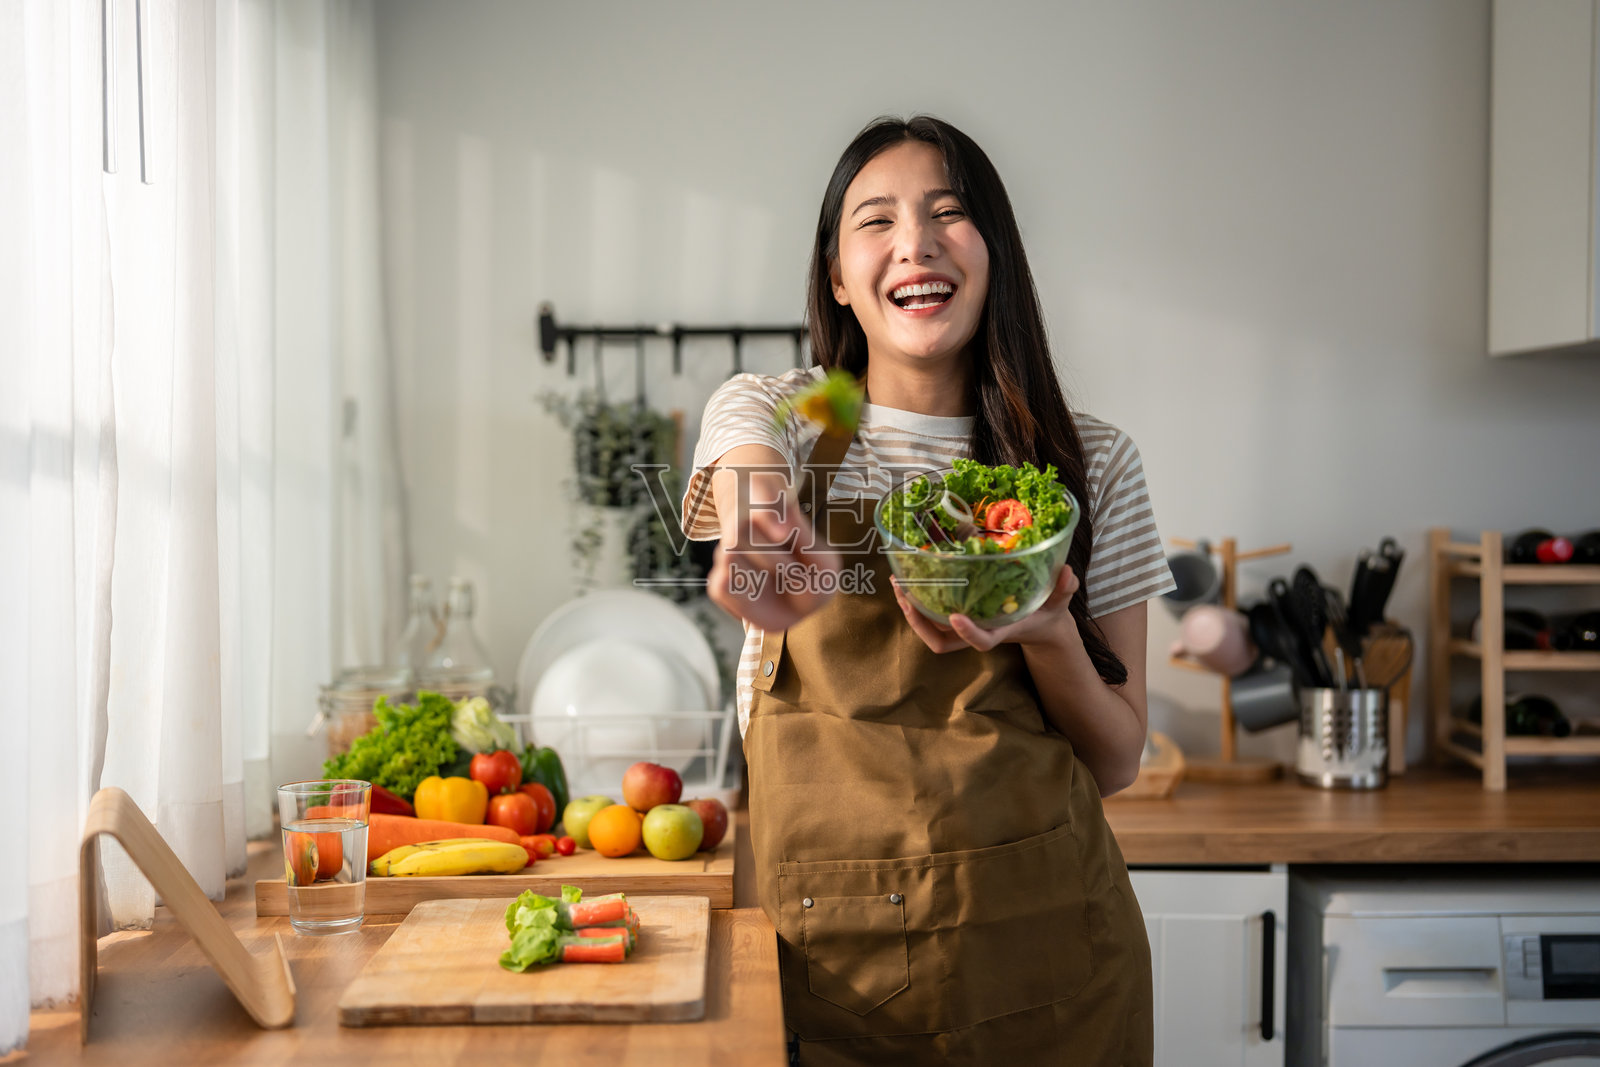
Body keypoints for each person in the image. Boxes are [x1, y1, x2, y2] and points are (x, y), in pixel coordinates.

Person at [680, 115, 1176, 1065]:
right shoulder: (799, 422)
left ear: (996, 252)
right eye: (876, 221)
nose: (916, 241)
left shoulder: (1088, 460)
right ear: (836, 275)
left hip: (1057, 963)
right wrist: (759, 516)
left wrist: (1047, 632)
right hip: (839, 966)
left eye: (950, 211)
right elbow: (745, 443)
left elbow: (1117, 759)